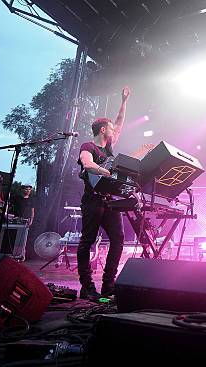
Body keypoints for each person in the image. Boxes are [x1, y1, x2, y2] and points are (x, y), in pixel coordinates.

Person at [76, 86, 130, 301]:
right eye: (110, 129)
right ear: (102, 131)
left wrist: (124, 101)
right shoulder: (88, 145)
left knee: (118, 239)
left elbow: (119, 122)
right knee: (87, 241)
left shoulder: (109, 149)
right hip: (92, 201)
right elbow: (86, 163)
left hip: (109, 202)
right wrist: (104, 170)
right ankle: (87, 286)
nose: (114, 131)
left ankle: (109, 285)